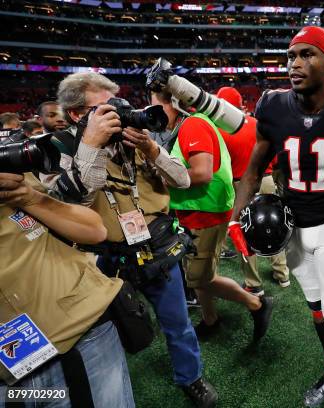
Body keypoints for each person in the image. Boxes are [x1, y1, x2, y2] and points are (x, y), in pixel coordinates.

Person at [41, 72, 217, 407]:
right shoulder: (57, 149)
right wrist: (92, 146)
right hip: (102, 257)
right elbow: (71, 205)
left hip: (155, 248)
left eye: (118, 105)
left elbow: (181, 179)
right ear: (78, 114)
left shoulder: (133, 139)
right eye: (105, 109)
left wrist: (152, 148)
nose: (119, 114)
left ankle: (191, 377)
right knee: (111, 334)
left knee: (178, 324)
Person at [229, 26, 324, 408]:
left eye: (307, 54)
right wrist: (235, 219)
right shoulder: (272, 105)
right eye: (291, 56)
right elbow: (253, 171)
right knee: (318, 312)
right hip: (294, 232)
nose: (295, 63)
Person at [0, 172, 134, 407]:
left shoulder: (9, 178)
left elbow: (94, 230)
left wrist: (30, 198)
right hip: (10, 373)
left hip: (82, 334)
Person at [152, 88, 274, 342]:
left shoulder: (193, 125)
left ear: (174, 103)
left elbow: (202, 173)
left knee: (199, 277)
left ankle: (257, 304)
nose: (154, 113)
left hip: (204, 213)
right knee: (198, 274)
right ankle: (210, 319)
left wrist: (160, 180)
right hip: (198, 210)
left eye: (157, 106)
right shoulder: (194, 122)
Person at [217, 86, 290, 295]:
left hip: (239, 186)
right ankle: (282, 274)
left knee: (244, 232)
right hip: (266, 180)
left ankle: (254, 283)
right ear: (240, 104)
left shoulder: (219, 129)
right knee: (276, 226)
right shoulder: (258, 124)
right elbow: (276, 160)